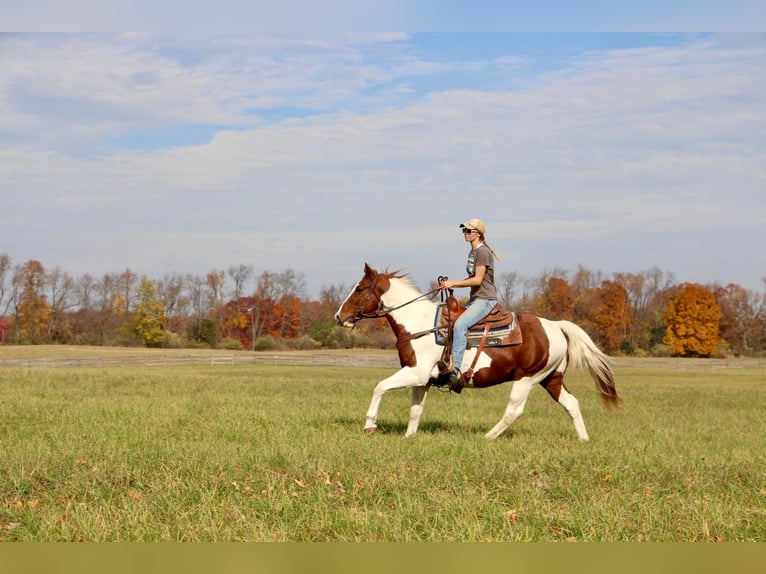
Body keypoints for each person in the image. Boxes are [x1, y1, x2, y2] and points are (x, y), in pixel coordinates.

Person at [438, 218, 500, 391]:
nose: (465, 234)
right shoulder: (473, 253)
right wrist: (448, 284)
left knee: (460, 326)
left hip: (485, 299)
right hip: (476, 298)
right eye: (464, 231)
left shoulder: (483, 252)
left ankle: (455, 372)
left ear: (478, 234)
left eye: (468, 231)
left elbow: (478, 280)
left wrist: (452, 284)